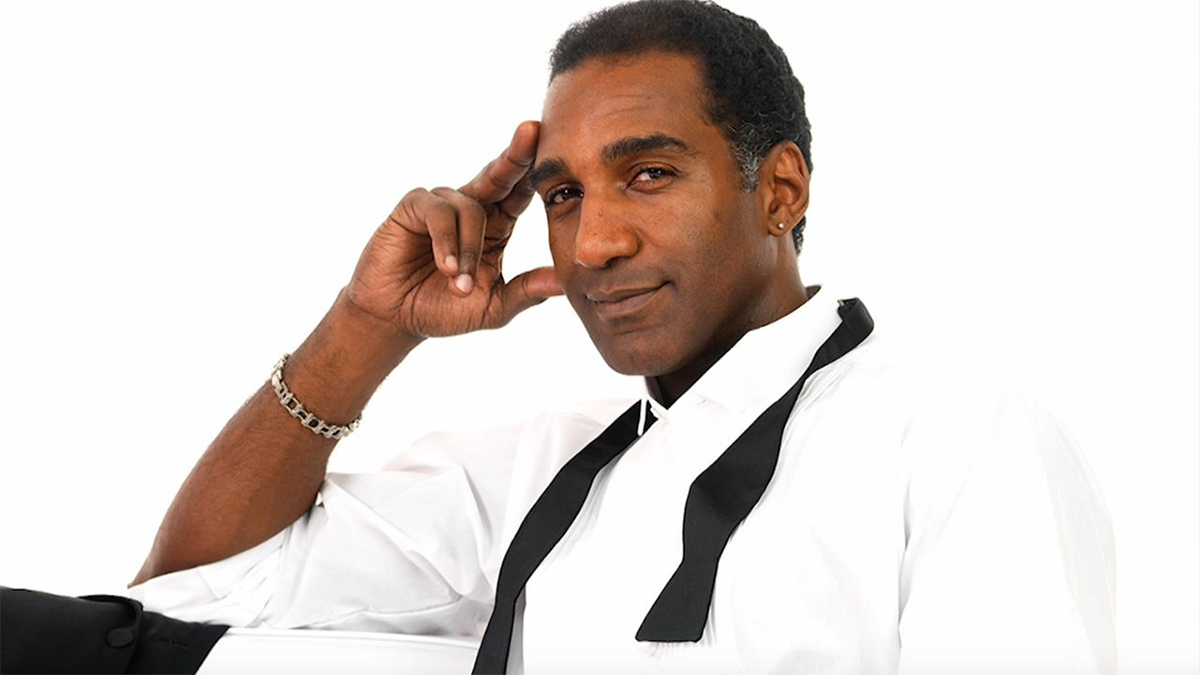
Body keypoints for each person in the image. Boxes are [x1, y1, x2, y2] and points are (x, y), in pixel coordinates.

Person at [120, 1, 1115, 673]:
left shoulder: (957, 436)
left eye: (648, 175)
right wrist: (368, 325)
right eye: (562, 194)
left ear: (779, 190)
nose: (594, 241)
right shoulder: (538, 473)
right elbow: (198, 595)